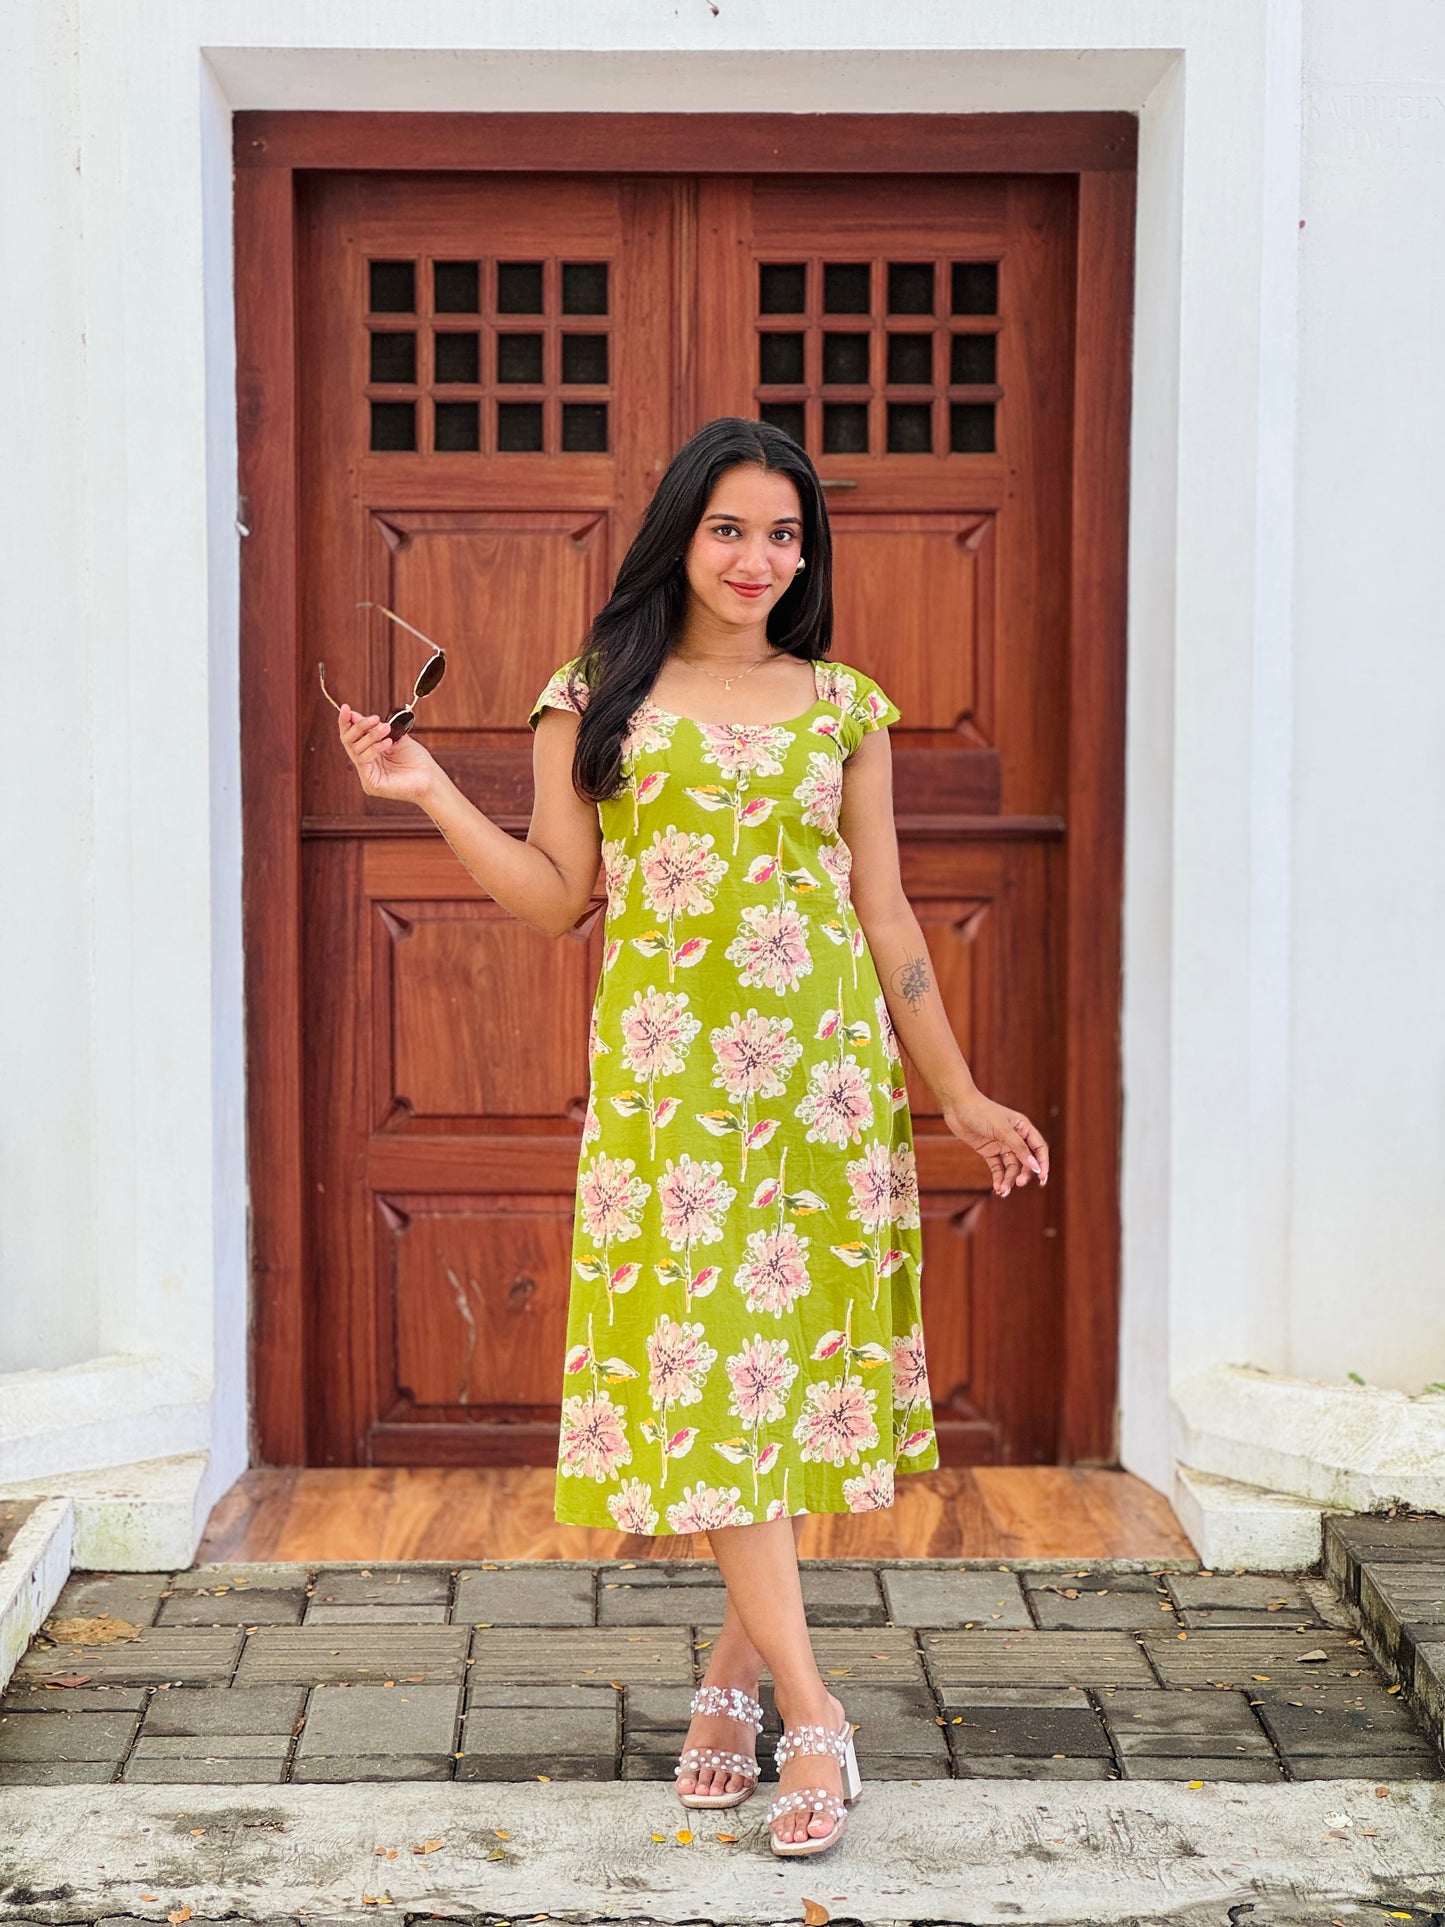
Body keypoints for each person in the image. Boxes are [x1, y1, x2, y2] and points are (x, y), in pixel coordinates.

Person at [330, 415, 1049, 1858]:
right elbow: (550, 898)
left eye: (785, 534)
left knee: (774, 1392)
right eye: (730, 527)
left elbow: (888, 912)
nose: (758, 558)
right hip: (673, 1105)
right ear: (679, 534)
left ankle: (730, 1684)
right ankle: (807, 1696)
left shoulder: (842, 702)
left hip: (822, 1094)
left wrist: (958, 1092)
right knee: (719, 1375)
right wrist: (424, 796)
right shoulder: (595, 695)